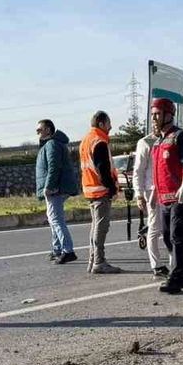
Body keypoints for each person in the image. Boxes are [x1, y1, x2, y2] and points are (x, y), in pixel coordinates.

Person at [150, 97, 183, 293]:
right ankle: (182, 272)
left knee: (177, 236)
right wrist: (154, 192)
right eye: (152, 115)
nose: (154, 118)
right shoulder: (158, 141)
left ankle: (176, 277)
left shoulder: (180, 136)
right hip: (164, 197)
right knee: (167, 236)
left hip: (180, 196)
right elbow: (158, 170)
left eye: (157, 114)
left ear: (168, 115)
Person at [79, 111, 121, 273]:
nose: (111, 127)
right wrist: (112, 188)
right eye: (109, 123)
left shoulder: (86, 140)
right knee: (101, 227)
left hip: (90, 188)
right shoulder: (99, 141)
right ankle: (99, 261)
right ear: (101, 124)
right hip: (100, 190)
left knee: (96, 226)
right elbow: (102, 169)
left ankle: (93, 260)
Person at [35, 119, 78, 264]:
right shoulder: (51, 144)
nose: (37, 132)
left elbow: (54, 166)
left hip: (56, 188)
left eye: (39, 130)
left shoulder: (52, 144)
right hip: (57, 187)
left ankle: (68, 251)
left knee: (55, 219)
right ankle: (57, 249)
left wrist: (48, 186)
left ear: (48, 130)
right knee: (53, 217)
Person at [133, 124, 166, 278]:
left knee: (168, 227)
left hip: (167, 188)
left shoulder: (169, 139)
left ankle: (175, 263)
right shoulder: (145, 143)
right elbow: (138, 171)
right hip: (151, 190)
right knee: (154, 227)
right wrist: (139, 194)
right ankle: (156, 265)